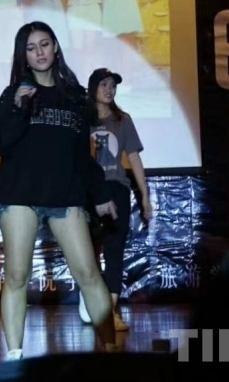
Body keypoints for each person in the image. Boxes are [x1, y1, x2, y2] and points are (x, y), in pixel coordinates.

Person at [0, 21, 120, 360]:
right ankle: (14, 356)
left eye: (44, 44)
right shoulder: (14, 94)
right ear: (24, 56)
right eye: (31, 48)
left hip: (65, 194)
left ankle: (110, 351)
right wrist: (19, 107)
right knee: (17, 276)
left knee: (88, 273)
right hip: (20, 195)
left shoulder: (75, 96)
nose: (39, 52)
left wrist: (100, 194)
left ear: (55, 47)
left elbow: (82, 155)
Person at [77, 68, 152, 331]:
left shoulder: (123, 120)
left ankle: (110, 312)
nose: (110, 90)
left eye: (113, 85)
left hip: (116, 189)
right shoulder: (81, 120)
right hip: (88, 192)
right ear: (93, 88)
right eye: (104, 85)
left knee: (114, 249)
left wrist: (145, 196)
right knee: (86, 249)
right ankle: (92, 301)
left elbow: (134, 158)